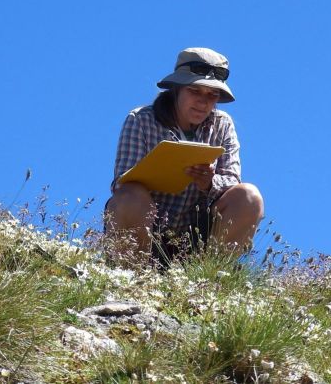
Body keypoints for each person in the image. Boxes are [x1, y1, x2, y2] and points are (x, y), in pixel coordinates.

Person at [105, 47, 264, 266]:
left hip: (198, 235)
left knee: (249, 196)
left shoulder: (223, 124)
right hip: (147, 227)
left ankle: (211, 275)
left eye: (212, 95)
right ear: (176, 89)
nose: (203, 102)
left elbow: (232, 179)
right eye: (195, 91)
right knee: (129, 196)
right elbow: (122, 185)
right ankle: (131, 275)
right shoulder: (140, 119)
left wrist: (210, 183)